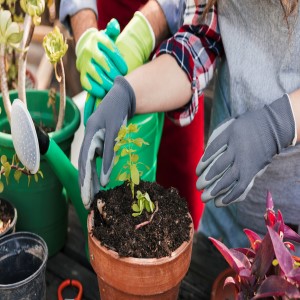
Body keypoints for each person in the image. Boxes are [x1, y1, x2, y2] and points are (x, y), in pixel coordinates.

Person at [78, 0, 300, 297]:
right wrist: (129, 92)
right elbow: (198, 40)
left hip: (292, 225)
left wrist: (278, 123)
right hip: (225, 196)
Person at [59, 0, 204, 229]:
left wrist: (143, 32)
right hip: (110, 51)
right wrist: (87, 36)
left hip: (178, 68)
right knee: (111, 201)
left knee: (179, 213)